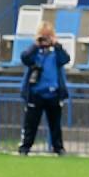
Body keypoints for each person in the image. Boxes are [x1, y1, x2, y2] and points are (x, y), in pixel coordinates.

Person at [19, 21, 70, 156]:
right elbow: (24, 58)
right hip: (36, 93)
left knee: (55, 125)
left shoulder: (56, 54)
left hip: (53, 94)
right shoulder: (34, 53)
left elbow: (66, 59)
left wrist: (56, 45)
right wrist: (36, 45)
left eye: (48, 36)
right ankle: (25, 148)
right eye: (43, 36)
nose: (45, 40)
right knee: (30, 124)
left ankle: (58, 148)